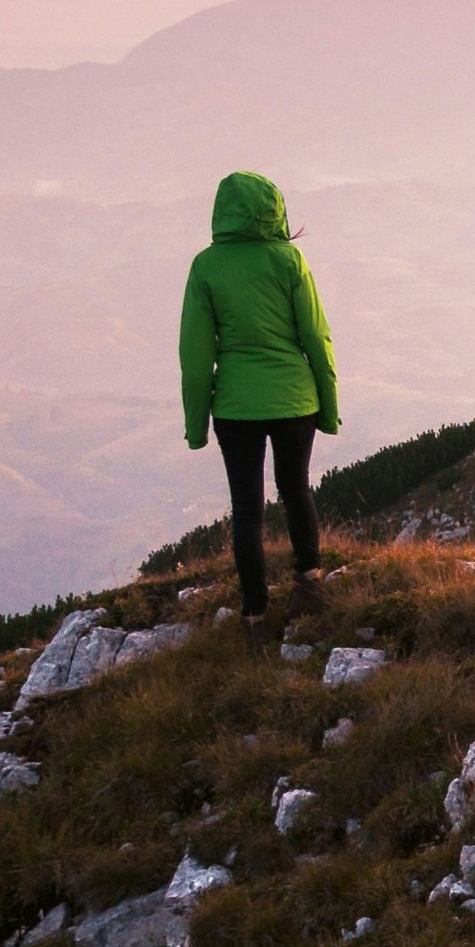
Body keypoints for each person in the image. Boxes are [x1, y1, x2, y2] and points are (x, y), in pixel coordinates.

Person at [179, 170, 340, 626]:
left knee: (247, 511)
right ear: (275, 208)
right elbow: (316, 337)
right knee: (295, 489)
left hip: (236, 407)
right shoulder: (290, 260)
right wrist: (328, 409)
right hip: (295, 400)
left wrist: (196, 427)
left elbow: (195, 356)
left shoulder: (205, 266)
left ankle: (254, 616)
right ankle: (309, 584)